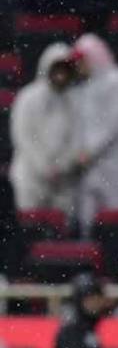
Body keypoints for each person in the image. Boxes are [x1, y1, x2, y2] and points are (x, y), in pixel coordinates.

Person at [72, 35, 118, 236]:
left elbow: (113, 125)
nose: (79, 65)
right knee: (88, 225)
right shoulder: (84, 87)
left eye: (82, 60)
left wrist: (88, 151)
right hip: (91, 167)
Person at [8, 43, 80, 218]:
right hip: (30, 176)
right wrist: (43, 167)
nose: (61, 75)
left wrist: (61, 166)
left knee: (59, 235)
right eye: (57, 69)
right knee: (31, 230)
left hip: (62, 181)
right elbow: (22, 136)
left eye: (65, 70)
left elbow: (77, 139)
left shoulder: (75, 101)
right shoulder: (27, 98)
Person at [53, 272, 108, 348]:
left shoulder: (91, 330)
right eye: (90, 299)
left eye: (98, 298)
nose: (96, 303)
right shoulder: (71, 331)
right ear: (79, 301)